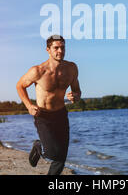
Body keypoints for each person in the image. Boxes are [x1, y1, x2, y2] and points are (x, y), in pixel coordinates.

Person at [16, 35, 81, 175]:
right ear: (48, 50)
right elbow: (20, 86)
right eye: (56, 48)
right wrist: (29, 106)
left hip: (61, 114)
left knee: (61, 159)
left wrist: (75, 96)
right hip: (43, 115)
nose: (60, 51)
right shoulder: (38, 71)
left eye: (62, 47)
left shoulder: (71, 68)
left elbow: (77, 91)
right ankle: (38, 146)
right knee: (52, 153)